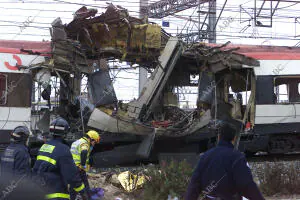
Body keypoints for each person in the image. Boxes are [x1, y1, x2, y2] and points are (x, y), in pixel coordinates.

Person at [185, 120, 265, 200]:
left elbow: (194, 183)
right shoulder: (237, 157)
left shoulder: (205, 156)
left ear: (219, 137)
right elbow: (247, 185)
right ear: (234, 139)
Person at [32, 117, 88, 200]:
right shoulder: (63, 149)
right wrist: (83, 192)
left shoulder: (44, 147)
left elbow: (35, 170)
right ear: (65, 132)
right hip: (56, 195)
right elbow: (72, 176)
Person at [70, 130, 100, 199]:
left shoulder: (77, 142)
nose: (94, 144)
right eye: (94, 142)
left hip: (72, 167)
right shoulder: (85, 143)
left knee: (73, 186)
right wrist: (83, 165)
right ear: (91, 139)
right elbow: (84, 152)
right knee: (85, 185)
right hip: (79, 168)